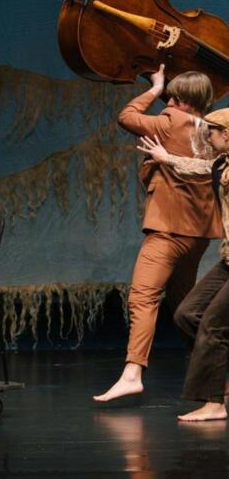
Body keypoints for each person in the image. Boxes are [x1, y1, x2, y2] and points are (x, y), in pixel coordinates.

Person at [93, 64, 222, 403]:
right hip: (198, 236)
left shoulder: (170, 121)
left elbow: (127, 117)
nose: (171, 101)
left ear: (182, 100)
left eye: (173, 97)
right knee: (185, 307)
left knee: (143, 297)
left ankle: (132, 373)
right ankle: (218, 377)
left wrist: (154, 88)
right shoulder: (214, 132)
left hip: (167, 230)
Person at [138, 108, 229, 421]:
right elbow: (199, 167)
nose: (208, 137)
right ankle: (219, 378)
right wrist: (166, 158)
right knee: (188, 314)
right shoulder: (221, 164)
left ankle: (214, 403)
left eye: (212, 132)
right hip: (228, 259)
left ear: (227, 134)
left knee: (214, 324)